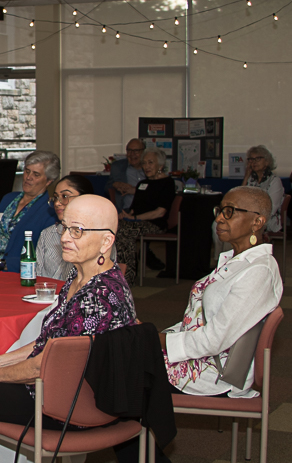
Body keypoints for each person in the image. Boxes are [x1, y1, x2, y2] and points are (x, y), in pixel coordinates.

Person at [0, 195, 136, 463]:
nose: (65, 238)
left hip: (69, 404)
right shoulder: (79, 277)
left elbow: (46, 366)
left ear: (106, 241)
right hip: (58, 388)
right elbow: (45, 344)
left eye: (77, 230)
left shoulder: (101, 295)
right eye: (65, 228)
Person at [115, 187, 283, 463]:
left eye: (230, 212)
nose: (219, 218)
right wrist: (153, 335)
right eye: (220, 210)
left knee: (119, 381)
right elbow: (197, 322)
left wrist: (157, 340)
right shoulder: (235, 260)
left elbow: (214, 339)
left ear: (257, 222)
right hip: (203, 356)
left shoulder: (259, 272)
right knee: (118, 357)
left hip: (216, 372)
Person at [114, 148, 177, 285]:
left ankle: (127, 277)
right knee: (117, 228)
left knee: (125, 231)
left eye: (150, 163)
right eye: (144, 163)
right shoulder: (142, 184)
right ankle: (118, 274)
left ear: (160, 165)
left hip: (156, 223)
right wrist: (126, 215)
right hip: (137, 222)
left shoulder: (167, 183)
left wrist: (135, 218)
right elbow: (134, 209)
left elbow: (160, 212)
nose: (146, 166)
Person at [36, 174, 98, 280]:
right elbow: (38, 276)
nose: (57, 203)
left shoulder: (98, 235)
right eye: (55, 198)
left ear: (85, 198)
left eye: (64, 196)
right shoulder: (47, 234)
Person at [241, 145, 284, 233]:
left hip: (267, 219)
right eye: (251, 159)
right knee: (217, 225)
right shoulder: (251, 180)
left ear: (267, 162)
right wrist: (246, 177)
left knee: (235, 227)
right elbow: (239, 199)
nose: (254, 162)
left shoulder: (274, 181)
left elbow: (271, 208)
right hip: (249, 216)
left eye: (258, 158)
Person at [107, 139, 146, 211]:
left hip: (148, 210)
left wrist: (136, 191)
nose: (132, 154)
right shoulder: (118, 167)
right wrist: (114, 184)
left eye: (136, 151)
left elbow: (157, 190)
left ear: (143, 152)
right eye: (129, 150)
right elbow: (107, 190)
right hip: (126, 210)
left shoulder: (150, 168)